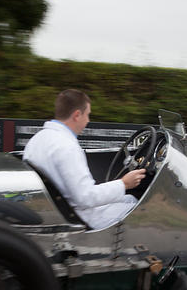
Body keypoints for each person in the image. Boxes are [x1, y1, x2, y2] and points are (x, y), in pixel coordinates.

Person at [23, 89, 146, 230]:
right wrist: (124, 184)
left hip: (58, 209)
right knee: (140, 206)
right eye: (87, 115)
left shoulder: (37, 139)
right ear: (77, 115)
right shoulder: (67, 146)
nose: (88, 120)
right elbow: (85, 197)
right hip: (80, 216)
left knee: (129, 199)